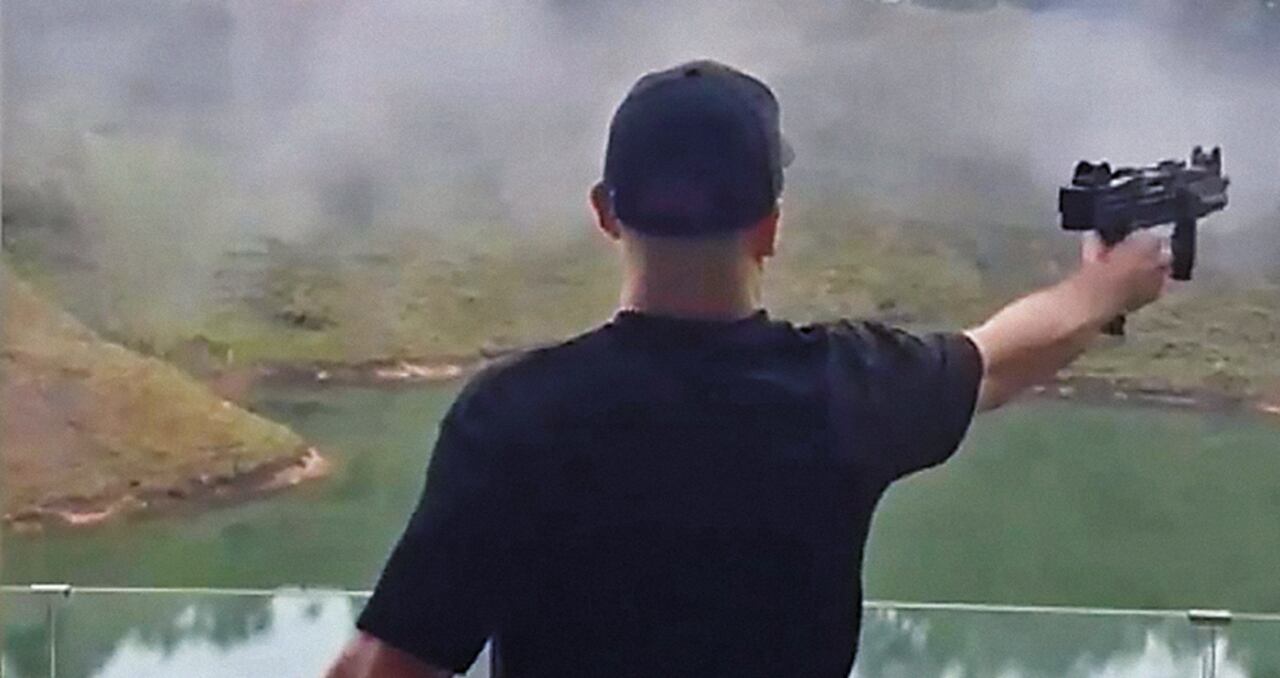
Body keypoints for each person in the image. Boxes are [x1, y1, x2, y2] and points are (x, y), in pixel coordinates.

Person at [326, 60, 1170, 678]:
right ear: (769, 226)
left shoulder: (513, 417)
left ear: (605, 213)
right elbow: (999, 360)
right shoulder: (847, 387)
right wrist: (1107, 286)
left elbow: (384, 668)